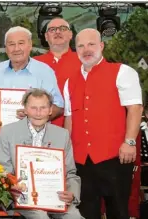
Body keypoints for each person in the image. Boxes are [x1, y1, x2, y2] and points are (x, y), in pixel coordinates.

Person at [63, 28, 143, 219]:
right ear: (76, 50)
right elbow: (69, 119)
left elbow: (135, 108)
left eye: (91, 44)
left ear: (101, 46)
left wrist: (130, 142)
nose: (86, 49)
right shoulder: (70, 81)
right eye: (80, 46)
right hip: (82, 161)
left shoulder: (122, 72)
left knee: (118, 211)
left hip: (115, 157)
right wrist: (67, 154)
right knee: (85, 213)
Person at [0, 88, 82, 219]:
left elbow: (71, 173)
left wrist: (72, 194)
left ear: (50, 110)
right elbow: (3, 170)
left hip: (55, 198)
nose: (38, 113)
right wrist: (11, 187)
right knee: (40, 216)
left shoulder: (62, 135)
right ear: (25, 109)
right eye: (33, 108)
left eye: (43, 108)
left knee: (74, 216)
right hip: (21, 198)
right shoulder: (8, 132)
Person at [0, 26, 64, 139]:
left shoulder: (45, 71)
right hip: (0, 140)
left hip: (34, 141)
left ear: (30, 45)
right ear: (6, 48)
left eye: (21, 43)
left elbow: (58, 107)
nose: (16, 48)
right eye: (11, 44)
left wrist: (35, 115)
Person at [34, 18, 81, 127]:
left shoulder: (83, 61)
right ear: (46, 37)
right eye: (52, 30)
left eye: (62, 29)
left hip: (76, 129)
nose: (58, 32)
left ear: (70, 34)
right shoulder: (34, 63)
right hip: (39, 129)